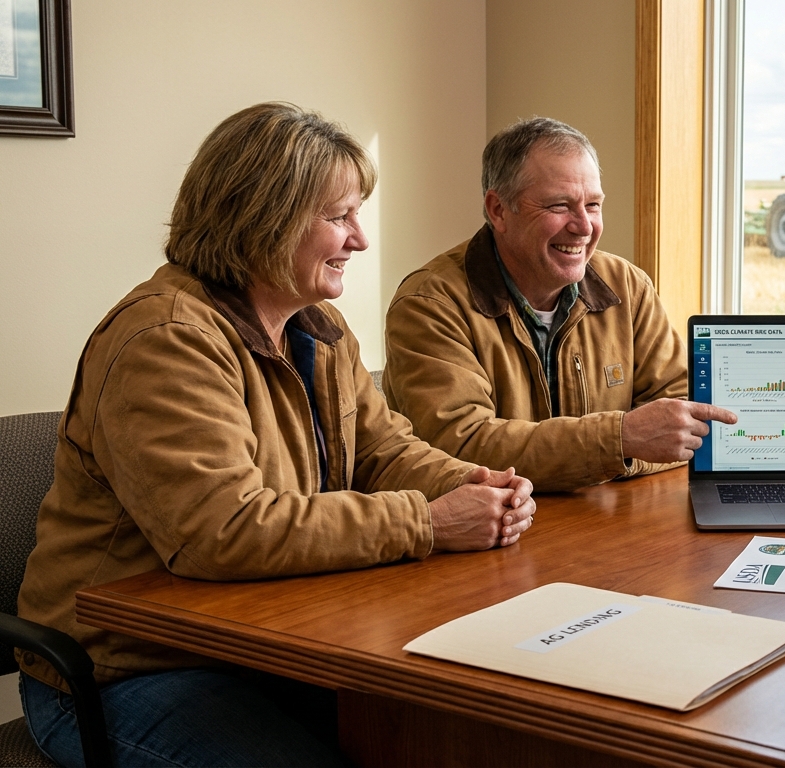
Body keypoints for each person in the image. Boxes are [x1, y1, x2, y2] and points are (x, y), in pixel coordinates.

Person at [16, 102, 537, 768]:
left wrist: (469, 484)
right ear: (264, 216)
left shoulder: (316, 326)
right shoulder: (166, 341)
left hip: (265, 640)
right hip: (120, 672)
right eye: (339, 217)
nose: (360, 239)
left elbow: (381, 449)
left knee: (464, 735)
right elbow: (224, 532)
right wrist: (430, 523)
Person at [383, 117, 735, 491]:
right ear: (498, 210)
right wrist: (619, 440)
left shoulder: (628, 286)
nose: (584, 226)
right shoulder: (428, 305)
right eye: (560, 205)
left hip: (603, 524)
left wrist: (621, 448)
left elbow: (685, 422)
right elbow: (459, 447)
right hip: (486, 535)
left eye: (593, 205)